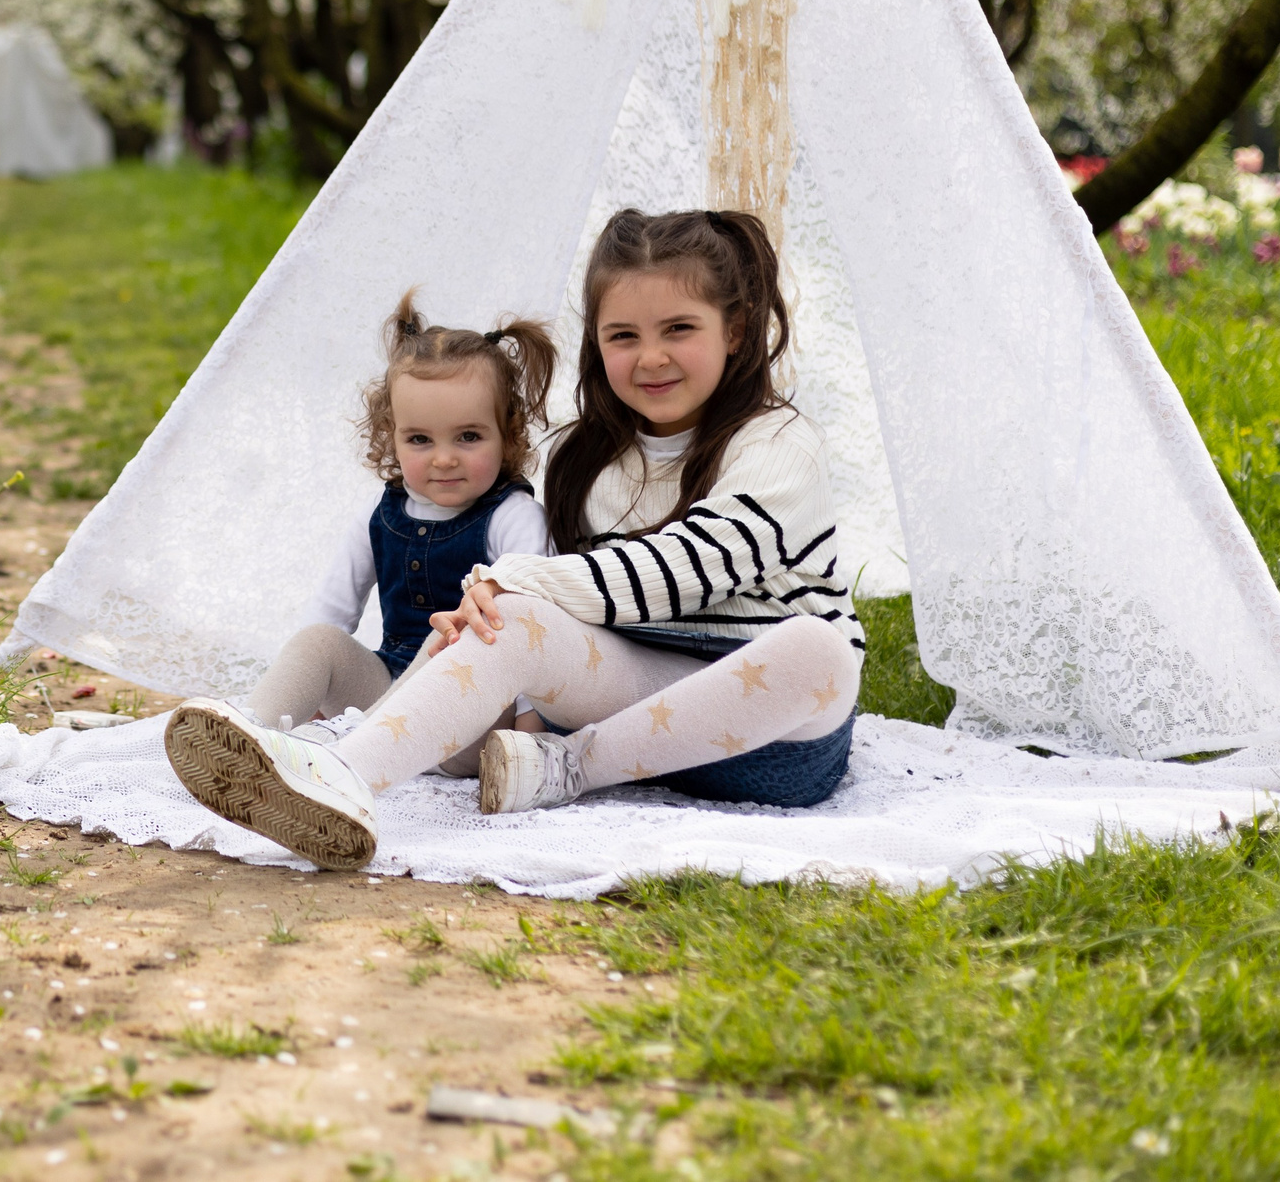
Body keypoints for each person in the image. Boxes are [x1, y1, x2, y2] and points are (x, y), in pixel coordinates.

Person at [163, 208, 862, 872]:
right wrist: (489, 616)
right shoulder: (589, 461)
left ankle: (573, 766)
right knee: (515, 619)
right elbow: (568, 607)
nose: (651, 356)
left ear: (735, 330)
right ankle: (338, 777)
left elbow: (691, 568)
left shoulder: (777, 443)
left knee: (819, 650)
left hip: (772, 735)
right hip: (637, 694)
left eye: (678, 328)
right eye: (623, 335)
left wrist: (517, 580)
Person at [228, 291, 555, 771]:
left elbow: (532, 631)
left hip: (469, 720)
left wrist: (532, 724)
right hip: (385, 688)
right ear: (391, 435)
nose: (444, 458)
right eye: (420, 439)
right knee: (318, 639)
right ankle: (245, 744)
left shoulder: (514, 517)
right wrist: (315, 688)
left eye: (468, 436)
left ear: (507, 433)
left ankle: (343, 768)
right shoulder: (379, 515)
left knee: (447, 641)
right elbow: (333, 610)